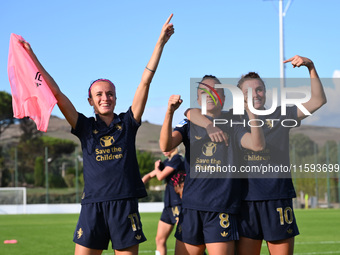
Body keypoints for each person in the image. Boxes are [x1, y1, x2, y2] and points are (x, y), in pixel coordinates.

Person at [20, 14, 174, 255]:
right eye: (99, 95)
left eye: (110, 93)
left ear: (115, 97)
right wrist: (32, 57)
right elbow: (58, 94)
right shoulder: (84, 127)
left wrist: (160, 43)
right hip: (92, 206)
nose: (105, 98)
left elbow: (145, 82)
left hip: (124, 205)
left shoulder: (128, 122)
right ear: (90, 101)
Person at [185, 56, 327, 255]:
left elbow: (318, 101)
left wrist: (310, 67)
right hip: (244, 201)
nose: (255, 94)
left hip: (277, 198)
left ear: (265, 93)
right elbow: (191, 112)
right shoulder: (232, 118)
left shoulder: (281, 115)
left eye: (258, 89)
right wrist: (208, 125)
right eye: (248, 92)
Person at [159, 75, 265, 255]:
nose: (209, 94)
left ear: (223, 98)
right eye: (203, 91)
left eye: (214, 91)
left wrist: (251, 112)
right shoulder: (188, 122)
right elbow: (166, 145)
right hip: (191, 207)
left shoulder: (233, 123)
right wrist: (169, 112)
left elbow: (257, 145)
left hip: (221, 208)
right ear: (198, 98)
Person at [142, 148, 185, 255]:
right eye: (163, 148)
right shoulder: (166, 162)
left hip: (178, 204)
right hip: (168, 206)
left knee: (186, 238)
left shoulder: (177, 159)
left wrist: (157, 168)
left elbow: (160, 176)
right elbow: (150, 175)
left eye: (168, 147)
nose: (164, 150)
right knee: (160, 239)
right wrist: (140, 183)